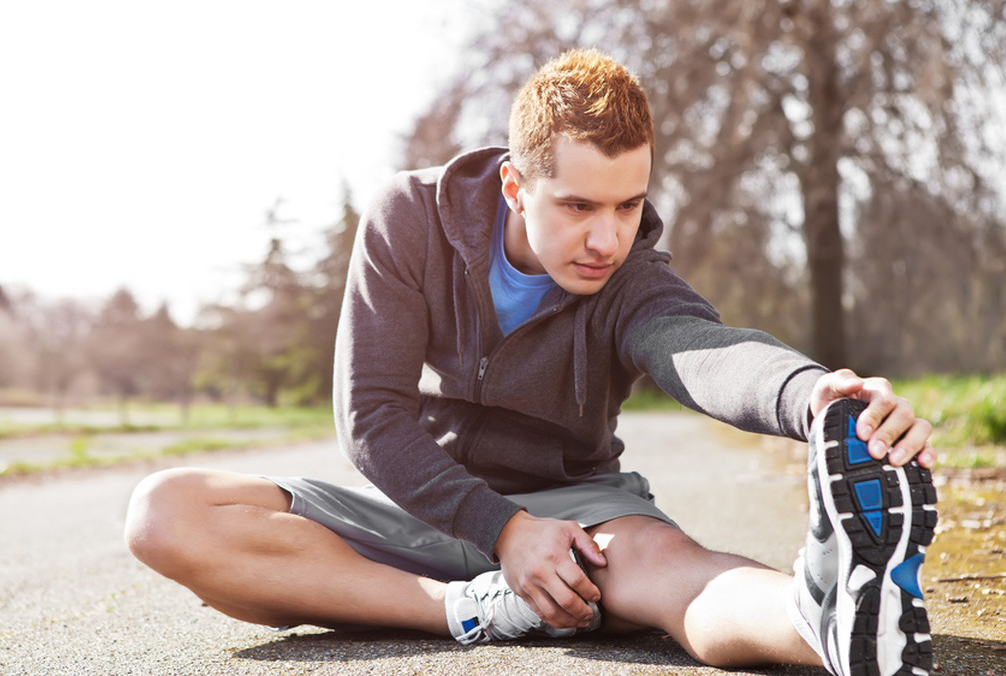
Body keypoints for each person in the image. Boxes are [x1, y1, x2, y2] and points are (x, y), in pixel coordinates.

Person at [124, 48, 938, 675]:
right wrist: (502, 533)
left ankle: (825, 621)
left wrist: (814, 397)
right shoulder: (409, 221)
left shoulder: (633, 279)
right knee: (167, 513)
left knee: (671, 570)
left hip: (578, 515)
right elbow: (370, 416)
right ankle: (471, 610)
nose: (607, 238)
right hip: (418, 508)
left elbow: (700, 350)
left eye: (629, 205)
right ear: (516, 185)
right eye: (578, 206)